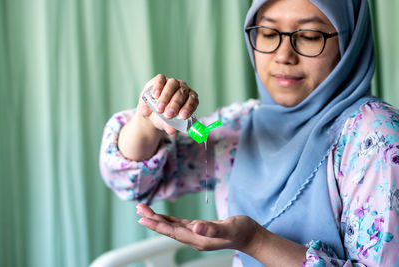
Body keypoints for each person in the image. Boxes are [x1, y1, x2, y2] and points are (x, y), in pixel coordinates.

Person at [99, 0, 399, 266]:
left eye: (309, 37)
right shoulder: (242, 126)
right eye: (268, 34)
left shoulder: (377, 139)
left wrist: (256, 242)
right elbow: (132, 180)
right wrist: (146, 121)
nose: (283, 55)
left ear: (350, 42)